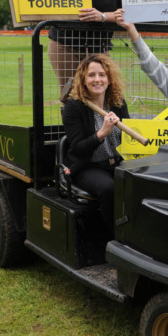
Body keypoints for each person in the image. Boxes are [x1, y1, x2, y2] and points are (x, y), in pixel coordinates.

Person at [62, 54, 129, 236]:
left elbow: (128, 137)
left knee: (139, 182)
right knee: (109, 188)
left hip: (116, 162)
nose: (97, 79)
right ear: (83, 80)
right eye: (91, 75)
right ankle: (116, 239)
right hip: (87, 166)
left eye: (102, 75)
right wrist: (101, 133)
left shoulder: (118, 103)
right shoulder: (74, 106)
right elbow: (77, 148)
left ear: (109, 79)